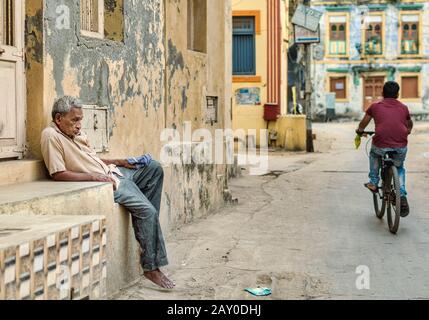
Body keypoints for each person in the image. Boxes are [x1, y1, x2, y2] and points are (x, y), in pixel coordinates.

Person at [41, 96, 175, 289]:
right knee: (148, 211)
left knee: (154, 168)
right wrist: (94, 178)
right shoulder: (51, 136)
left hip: (114, 172)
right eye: (74, 120)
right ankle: (150, 266)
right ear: (58, 118)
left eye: (80, 120)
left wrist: (121, 162)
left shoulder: (76, 135)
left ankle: (147, 232)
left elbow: (94, 161)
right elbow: (58, 173)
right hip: (110, 182)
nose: (79, 125)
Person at [356, 81, 413, 217]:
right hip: (400, 145)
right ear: (397, 94)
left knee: (374, 154)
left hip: (381, 144)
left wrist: (359, 131)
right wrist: (408, 131)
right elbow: (409, 123)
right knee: (399, 167)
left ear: (382, 93)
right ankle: (401, 194)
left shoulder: (375, 106)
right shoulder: (404, 108)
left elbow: (364, 122)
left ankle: (374, 182)